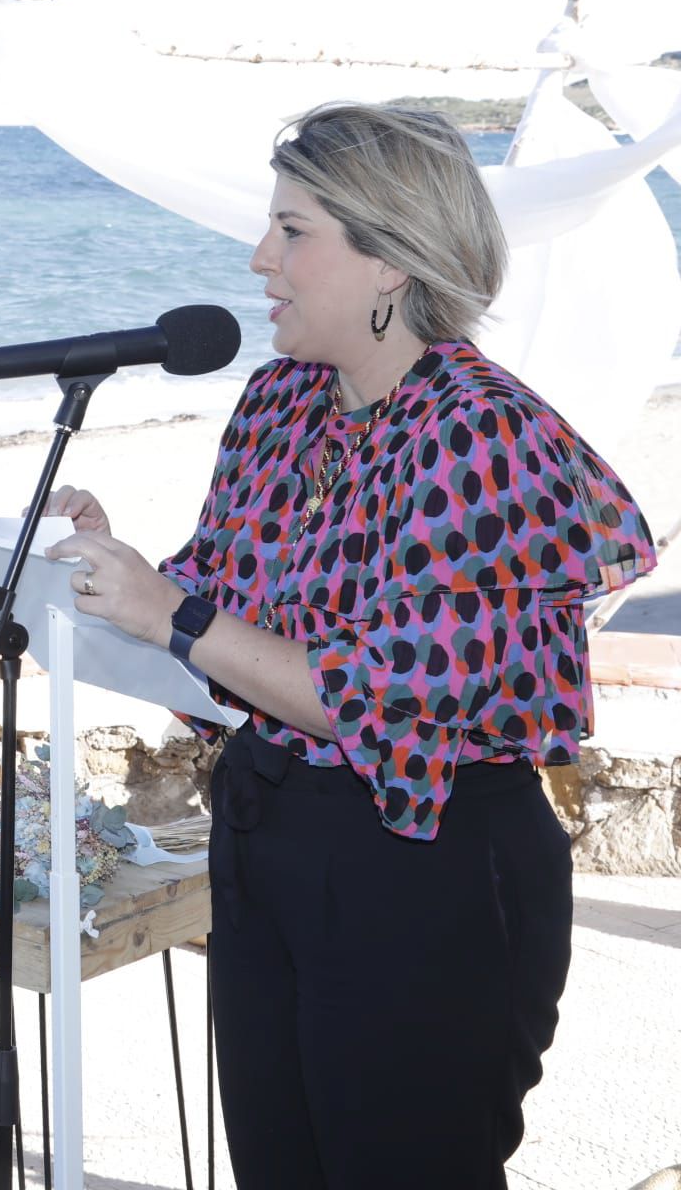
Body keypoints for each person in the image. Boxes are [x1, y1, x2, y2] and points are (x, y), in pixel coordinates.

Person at [41, 103, 656, 1189]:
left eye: (293, 231)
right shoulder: (282, 400)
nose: (259, 258)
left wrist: (168, 612)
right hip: (270, 828)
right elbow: (227, 610)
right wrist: (120, 569)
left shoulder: (482, 433)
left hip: (425, 868)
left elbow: (379, 695)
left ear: (387, 259)